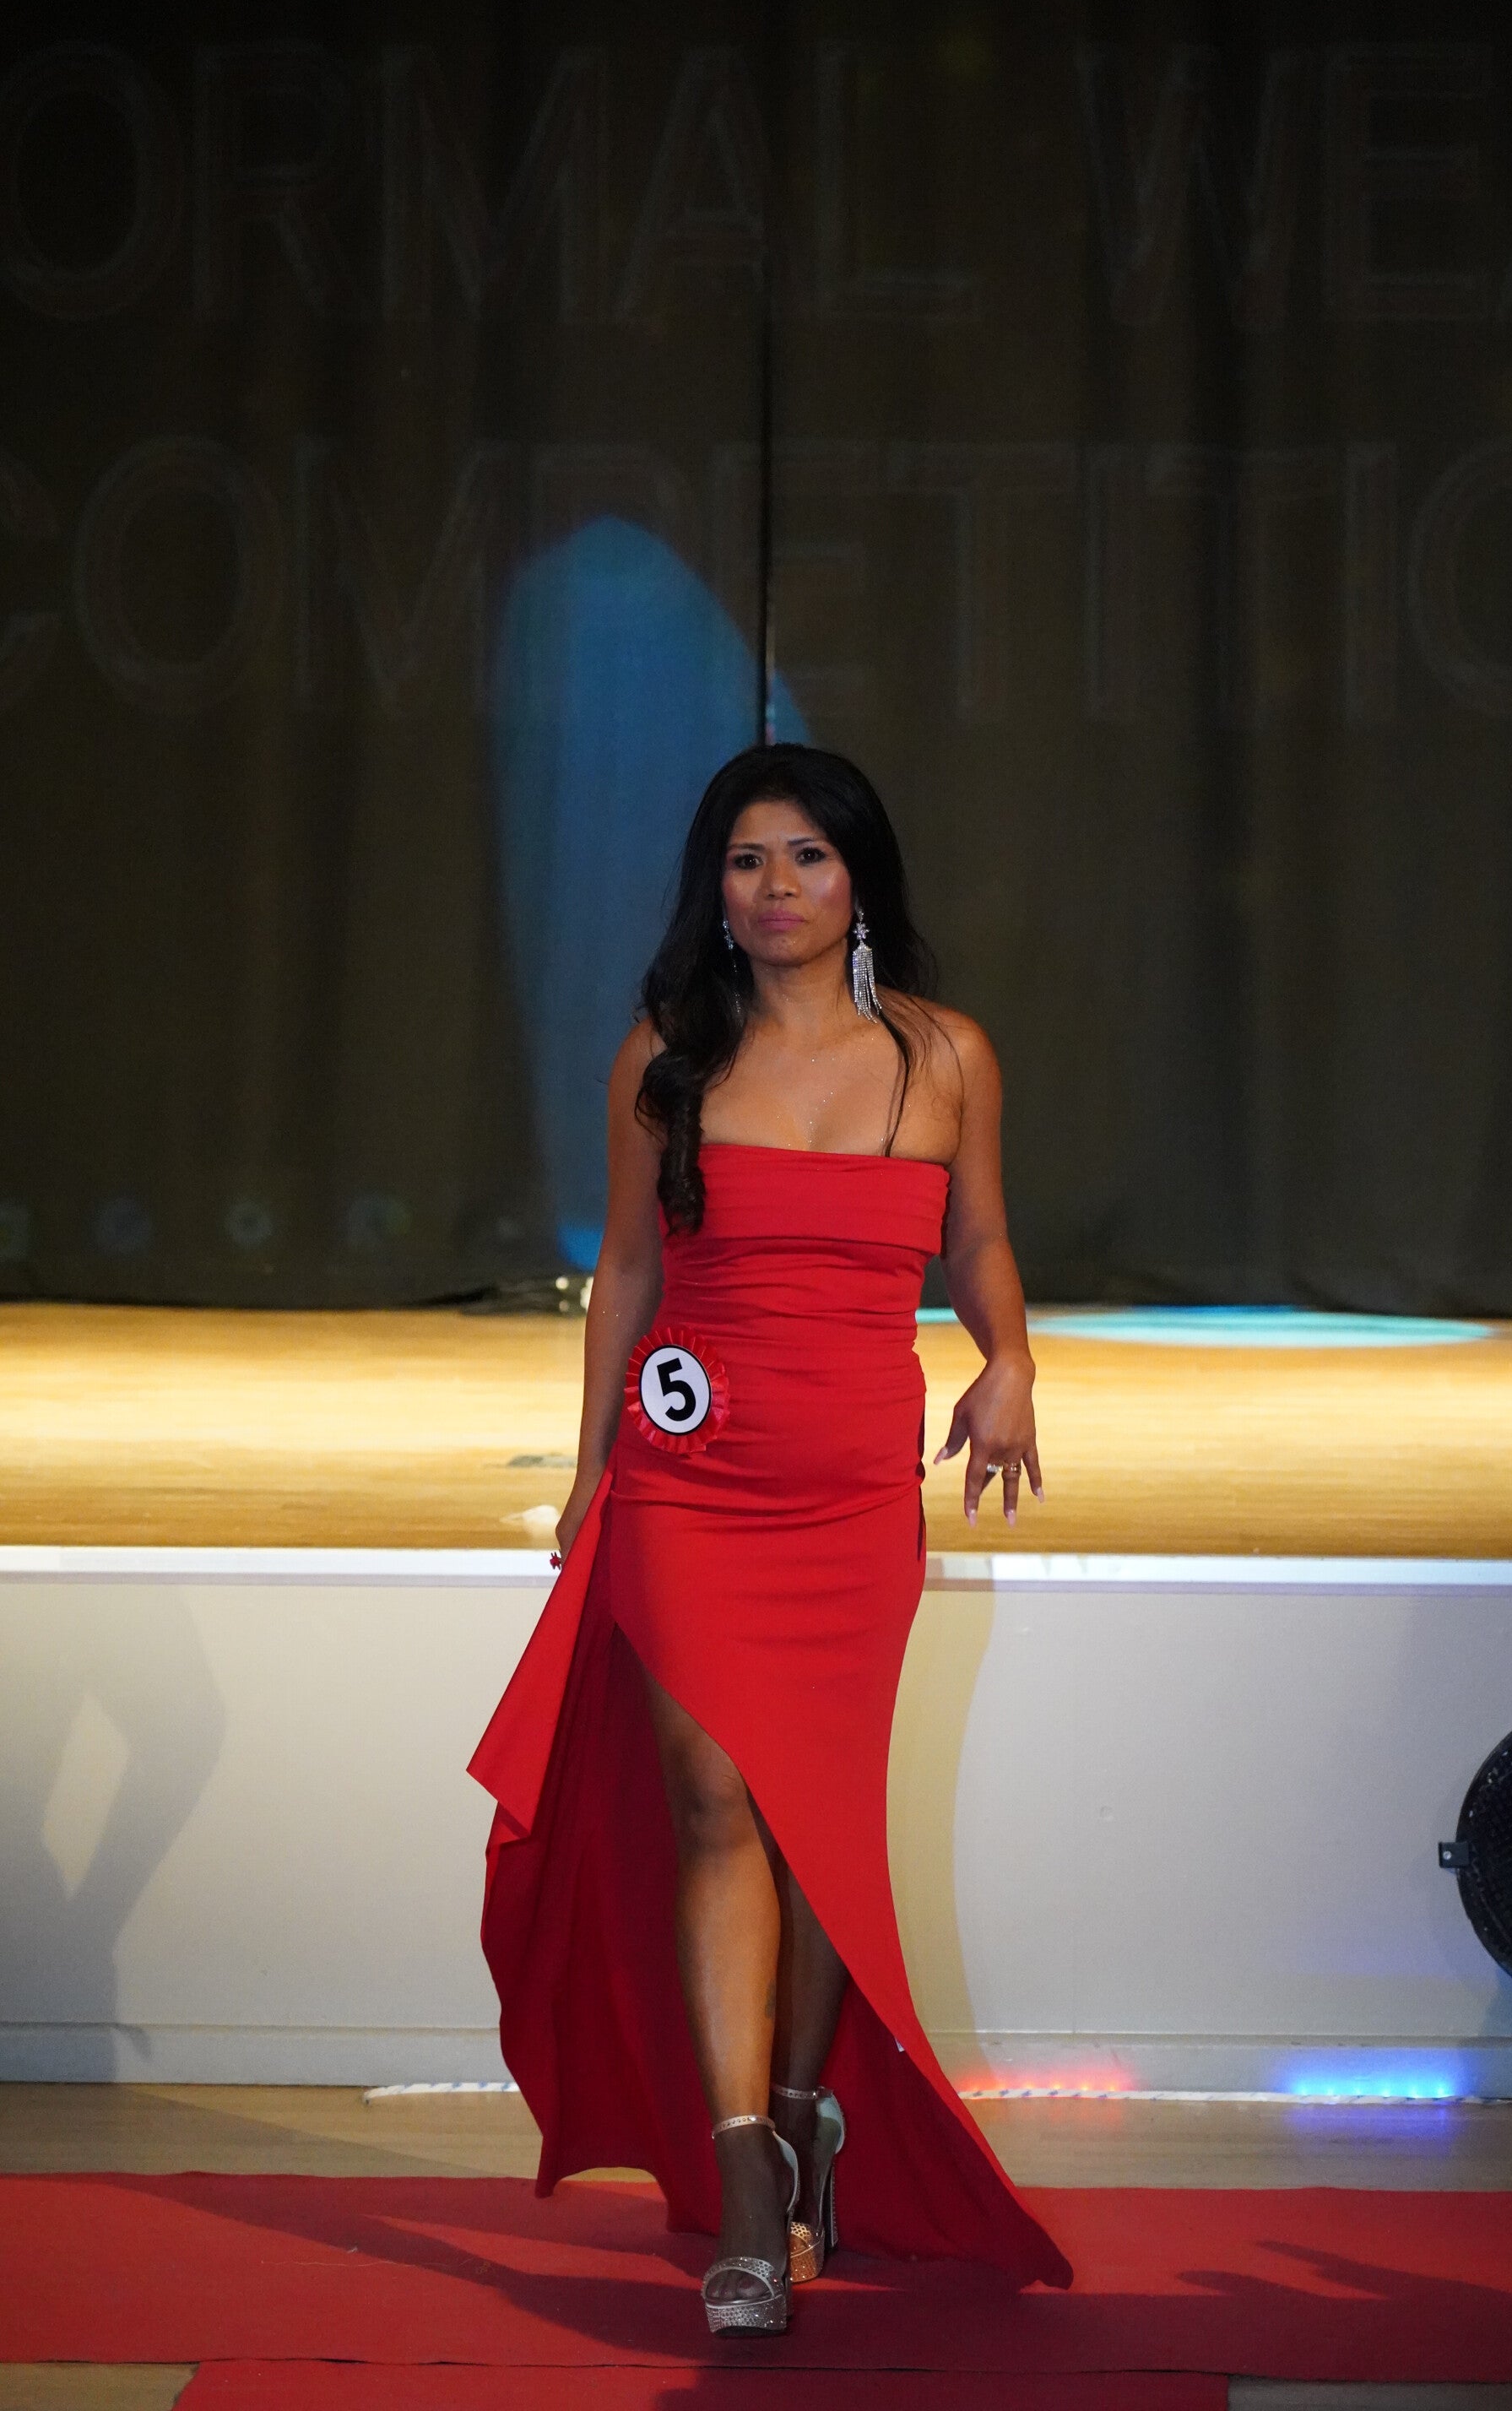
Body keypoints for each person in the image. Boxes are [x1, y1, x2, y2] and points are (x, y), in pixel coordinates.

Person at [470, 743, 1071, 2337]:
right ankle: (746, 2174)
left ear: (857, 875)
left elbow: (980, 1239)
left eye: (807, 855)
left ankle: (804, 2122)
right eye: (747, 861)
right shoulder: (667, 1055)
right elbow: (626, 1273)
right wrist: (594, 1470)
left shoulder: (943, 1055)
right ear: (714, 889)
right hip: (693, 1479)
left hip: (854, 1493)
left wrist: (1010, 1359)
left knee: (814, 1825)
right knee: (712, 1798)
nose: (778, 886)